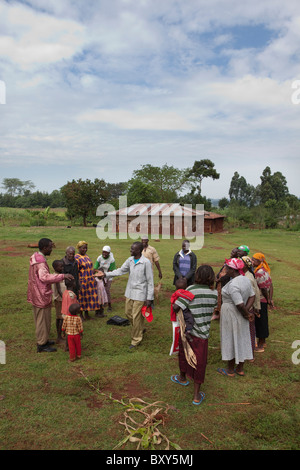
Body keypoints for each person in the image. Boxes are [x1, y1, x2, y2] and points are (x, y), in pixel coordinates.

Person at [170, 265, 218, 405]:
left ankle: (182, 378)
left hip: (188, 330)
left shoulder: (191, 290)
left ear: (197, 276)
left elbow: (177, 306)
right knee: (200, 362)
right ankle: (196, 395)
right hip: (203, 333)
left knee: (184, 355)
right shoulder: (214, 292)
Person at [103, 242, 154, 349]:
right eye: (131, 249)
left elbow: (150, 281)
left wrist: (149, 298)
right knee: (128, 313)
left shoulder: (146, 262)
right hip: (130, 292)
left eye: (133, 249)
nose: (130, 251)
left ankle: (136, 340)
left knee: (136, 316)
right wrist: (106, 274)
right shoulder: (130, 260)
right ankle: (140, 328)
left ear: (139, 251)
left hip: (140, 294)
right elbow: (121, 271)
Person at [27, 238, 74, 353]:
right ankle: (42, 344)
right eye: (50, 247)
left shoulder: (36, 256)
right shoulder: (40, 263)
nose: (51, 249)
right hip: (40, 294)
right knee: (42, 320)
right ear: (44, 248)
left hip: (37, 292)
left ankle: (44, 340)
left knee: (44, 319)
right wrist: (62, 276)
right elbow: (45, 277)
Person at [217, 258, 255, 377]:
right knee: (242, 337)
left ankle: (229, 370)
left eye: (227, 268)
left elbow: (239, 303)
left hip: (231, 313)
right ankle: (240, 368)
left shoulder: (233, 284)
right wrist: (247, 312)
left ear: (233, 270)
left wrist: (245, 312)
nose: (225, 270)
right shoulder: (245, 279)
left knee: (231, 338)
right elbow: (252, 296)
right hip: (240, 313)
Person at [75, 241, 104, 320]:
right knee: (82, 298)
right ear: (79, 248)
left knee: (88, 297)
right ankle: (81, 315)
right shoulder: (76, 258)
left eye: (86, 248)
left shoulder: (86, 256)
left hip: (90, 281)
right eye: (83, 248)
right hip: (82, 281)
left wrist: (94, 275)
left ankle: (87, 314)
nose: (85, 249)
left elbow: (90, 268)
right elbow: (76, 271)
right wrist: (78, 283)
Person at [252, 252, 273, 351]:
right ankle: (263, 341)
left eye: (254, 260)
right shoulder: (265, 269)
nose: (252, 261)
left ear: (259, 261)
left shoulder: (259, 272)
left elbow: (264, 288)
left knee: (260, 321)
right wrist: (270, 298)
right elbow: (271, 285)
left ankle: (261, 343)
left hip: (261, 299)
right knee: (263, 319)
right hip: (264, 299)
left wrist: (268, 299)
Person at [242, 256, 263, 355]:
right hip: (248, 308)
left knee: (249, 331)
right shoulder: (248, 275)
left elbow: (254, 295)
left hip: (247, 309)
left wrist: (255, 308)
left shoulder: (248, 278)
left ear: (245, 266)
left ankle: (250, 354)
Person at [170, 277, 195, 342]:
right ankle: (187, 331)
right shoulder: (180, 292)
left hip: (178, 308)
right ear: (186, 286)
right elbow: (188, 296)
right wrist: (192, 296)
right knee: (189, 319)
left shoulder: (177, 291)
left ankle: (183, 331)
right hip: (181, 309)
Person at [94, 245, 116, 312]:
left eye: (106, 252)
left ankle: (109, 306)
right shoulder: (99, 258)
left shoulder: (112, 259)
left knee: (106, 290)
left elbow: (111, 270)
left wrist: (105, 275)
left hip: (108, 276)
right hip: (100, 276)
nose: (104, 254)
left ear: (109, 253)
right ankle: (101, 303)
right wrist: (99, 273)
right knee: (99, 290)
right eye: (103, 252)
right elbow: (95, 268)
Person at [51, 260, 66, 344]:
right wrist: (65, 297)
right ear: (55, 268)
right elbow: (59, 290)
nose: (62, 268)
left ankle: (61, 334)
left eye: (63, 266)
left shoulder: (60, 275)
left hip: (62, 299)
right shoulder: (56, 277)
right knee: (60, 318)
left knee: (61, 318)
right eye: (61, 266)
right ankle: (59, 337)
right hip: (59, 300)